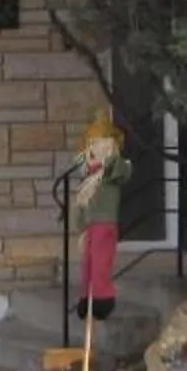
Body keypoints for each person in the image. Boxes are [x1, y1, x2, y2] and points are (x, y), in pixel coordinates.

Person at [69, 117, 126, 321]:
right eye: (93, 143)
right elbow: (82, 204)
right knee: (88, 264)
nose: (98, 147)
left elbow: (121, 169)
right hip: (91, 226)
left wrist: (104, 161)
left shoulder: (114, 169)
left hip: (105, 224)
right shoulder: (89, 176)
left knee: (101, 263)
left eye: (103, 142)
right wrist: (81, 228)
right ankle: (87, 298)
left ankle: (103, 299)